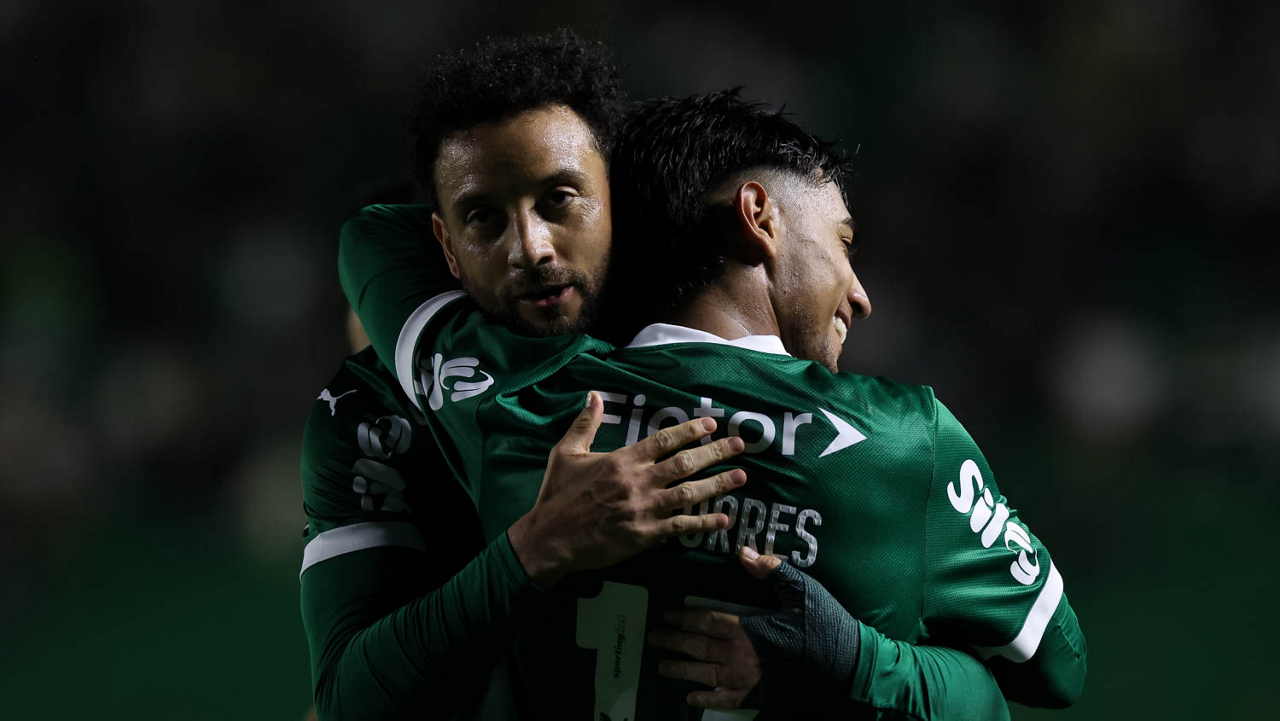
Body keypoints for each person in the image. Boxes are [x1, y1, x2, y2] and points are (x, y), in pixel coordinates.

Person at [340, 70, 1084, 721]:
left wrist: (604, 219)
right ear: (759, 217)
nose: (858, 295)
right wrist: (856, 661)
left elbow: (373, 238)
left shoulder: (518, 391)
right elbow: (1056, 667)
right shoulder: (901, 444)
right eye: (844, 242)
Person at [300, 32, 748, 720]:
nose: (531, 249)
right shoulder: (370, 411)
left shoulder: (683, 327)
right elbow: (348, 702)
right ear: (444, 249)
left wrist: (793, 655)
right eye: (485, 218)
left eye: (558, 199)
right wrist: (533, 548)